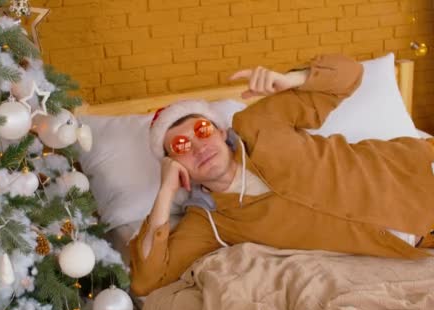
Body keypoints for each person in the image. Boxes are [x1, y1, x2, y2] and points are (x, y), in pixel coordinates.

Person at [129, 53, 434, 297]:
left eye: (202, 130)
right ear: (174, 163)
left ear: (221, 131)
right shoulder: (210, 224)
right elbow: (146, 281)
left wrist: (292, 79)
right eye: (181, 146)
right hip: (419, 240)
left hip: (418, 169)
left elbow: (350, 75)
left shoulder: (258, 123)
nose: (198, 146)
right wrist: (166, 192)